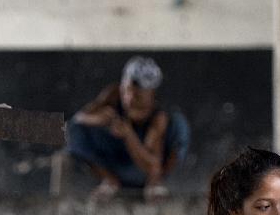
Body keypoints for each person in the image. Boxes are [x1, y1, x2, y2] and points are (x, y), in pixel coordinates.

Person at [68, 56, 190, 201]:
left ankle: (155, 184)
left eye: (137, 95)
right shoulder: (113, 94)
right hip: (117, 162)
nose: (130, 99)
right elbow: (78, 118)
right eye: (126, 91)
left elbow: (153, 166)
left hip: (143, 169)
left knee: (179, 124)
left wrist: (128, 134)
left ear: (150, 94)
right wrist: (100, 119)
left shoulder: (158, 118)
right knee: (74, 130)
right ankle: (110, 181)